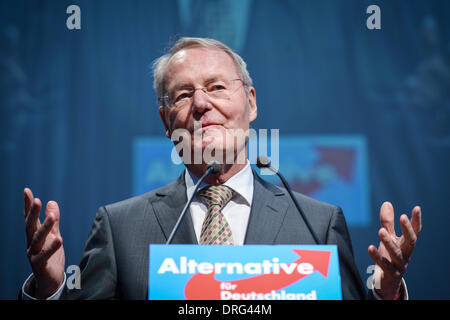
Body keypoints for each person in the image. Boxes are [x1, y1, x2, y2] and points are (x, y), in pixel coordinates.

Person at [21, 37, 422, 300]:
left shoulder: (317, 223)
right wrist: (51, 290)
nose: (200, 104)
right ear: (166, 121)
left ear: (250, 102)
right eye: (182, 94)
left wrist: (386, 292)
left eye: (215, 87)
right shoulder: (120, 227)